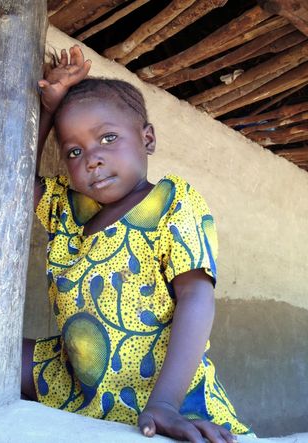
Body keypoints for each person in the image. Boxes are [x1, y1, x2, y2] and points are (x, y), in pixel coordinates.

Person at [21, 45, 252, 443]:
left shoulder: (170, 201)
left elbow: (197, 297)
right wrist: (49, 106)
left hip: (160, 388)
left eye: (107, 137)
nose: (91, 159)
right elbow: (11, 181)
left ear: (147, 139)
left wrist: (165, 402)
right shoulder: (68, 210)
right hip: (78, 378)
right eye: (73, 151)